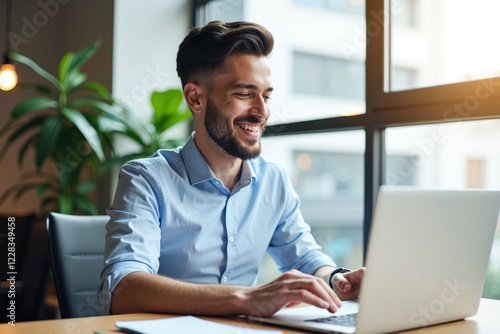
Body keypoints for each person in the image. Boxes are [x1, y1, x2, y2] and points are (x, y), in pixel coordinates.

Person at [98, 20, 364, 317]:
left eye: (266, 95)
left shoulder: (273, 179)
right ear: (195, 97)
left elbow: (304, 257)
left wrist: (337, 279)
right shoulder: (147, 179)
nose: (262, 111)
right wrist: (245, 297)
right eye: (244, 93)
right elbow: (123, 288)